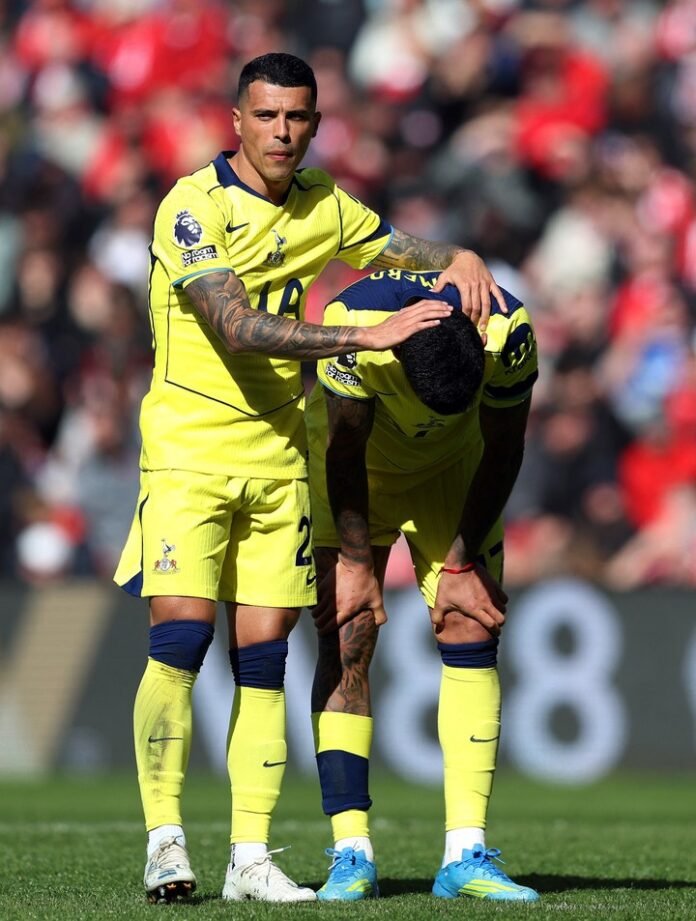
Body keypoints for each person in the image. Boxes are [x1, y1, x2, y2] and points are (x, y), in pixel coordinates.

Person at [113, 52, 504, 904]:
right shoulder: (192, 206)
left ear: (316, 124)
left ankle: (249, 855)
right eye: (267, 115)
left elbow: (397, 246)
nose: (282, 132)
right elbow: (235, 324)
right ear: (237, 121)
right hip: (187, 450)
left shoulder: (323, 202)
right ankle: (165, 840)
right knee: (181, 639)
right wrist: (361, 336)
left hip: (279, 456)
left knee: (264, 657)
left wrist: (462, 255)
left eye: (297, 117)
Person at [306, 268, 540, 902]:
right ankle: (351, 853)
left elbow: (505, 448)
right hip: (360, 470)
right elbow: (343, 450)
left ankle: (466, 854)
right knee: (348, 633)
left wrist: (461, 563)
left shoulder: (509, 332)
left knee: (471, 623)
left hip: (453, 470)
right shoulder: (353, 329)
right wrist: (356, 564)